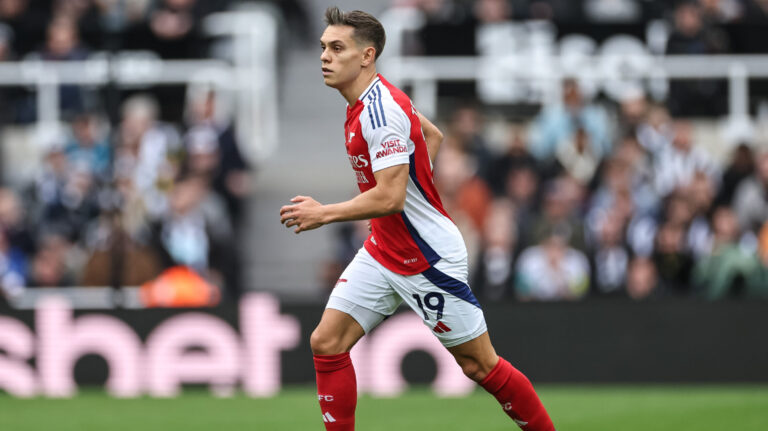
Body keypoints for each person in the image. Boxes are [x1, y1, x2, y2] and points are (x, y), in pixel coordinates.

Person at [279, 7, 555, 431]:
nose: (324, 57)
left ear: (366, 56)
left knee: (480, 366)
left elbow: (389, 196)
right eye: (322, 48)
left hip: (426, 258)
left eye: (337, 48)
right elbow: (432, 136)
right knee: (327, 341)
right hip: (385, 250)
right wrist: (418, 192)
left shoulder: (379, 111)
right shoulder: (367, 101)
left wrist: (325, 213)